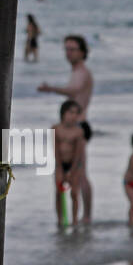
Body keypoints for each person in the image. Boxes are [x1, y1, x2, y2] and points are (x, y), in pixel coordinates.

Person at [38, 35, 94, 222]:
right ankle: (70, 217)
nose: (68, 53)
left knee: (81, 175)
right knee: (67, 175)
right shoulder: (76, 71)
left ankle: (85, 217)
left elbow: (74, 90)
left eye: (72, 49)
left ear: (82, 52)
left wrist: (51, 89)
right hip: (72, 124)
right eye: (66, 49)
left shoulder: (82, 72)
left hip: (79, 126)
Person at [54, 101, 87, 226]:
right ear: (63, 113)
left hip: (74, 165)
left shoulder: (78, 132)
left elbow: (78, 153)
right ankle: (60, 219)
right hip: (60, 164)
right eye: (70, 112)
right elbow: (55, 150)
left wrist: (71, 171)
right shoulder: (56, 128)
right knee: (59, 192)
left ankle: (74, 220)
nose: (73, 116)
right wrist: (60, 169)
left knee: (74, 193)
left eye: (76, 113)